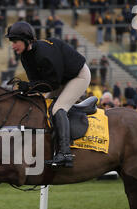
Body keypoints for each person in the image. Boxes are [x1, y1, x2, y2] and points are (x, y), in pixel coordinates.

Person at [5, 21, 90, 168]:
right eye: (12, 42)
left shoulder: (44, 53)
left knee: (58, 109)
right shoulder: (25, 56)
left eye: (15, 41)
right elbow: (37, 83)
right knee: (43, 106)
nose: (13, 46)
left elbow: (52, 84)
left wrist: (30, 86)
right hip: (60, 79)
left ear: (26, 40)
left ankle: (65, 153)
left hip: (78, 76)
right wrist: (26, 89)